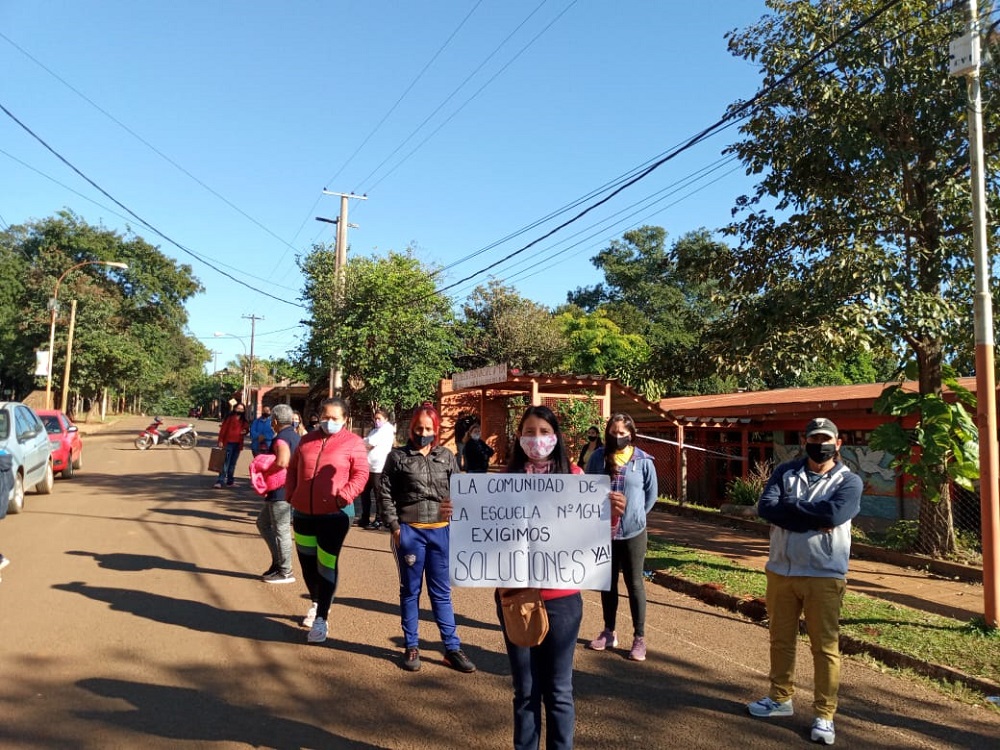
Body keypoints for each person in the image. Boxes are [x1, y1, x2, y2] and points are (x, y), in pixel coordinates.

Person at [498, 405, 623, 750]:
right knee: (524, 690)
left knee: (558, 690)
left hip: (562, 600)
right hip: (515, 598)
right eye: (528, 432)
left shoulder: (577, 479)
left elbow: (596, 539)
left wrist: (611, 515)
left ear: (556, 437)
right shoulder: (502, 483)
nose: (536, 439)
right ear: (519, 437)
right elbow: (483, 535)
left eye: (543, 432)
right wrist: (458, 514)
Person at [747, 417, 862, 746]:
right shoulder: (786, 472)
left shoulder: (849, 481)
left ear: (838, 444)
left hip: (824, 575)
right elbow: (767, 508)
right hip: (781, 571)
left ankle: (824, 715)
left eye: (827, 439)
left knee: (825, 647)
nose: (820, 444)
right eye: (815, 438)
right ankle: (779, 698)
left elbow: (834, 516)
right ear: (805, 441)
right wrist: (810, 515)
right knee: (780, 639)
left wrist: (792, 509)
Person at [378, 403, 476, 674]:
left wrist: (457, 513)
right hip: (410, 532)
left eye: (429, 428)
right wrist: (395, 527)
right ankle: (411, 646)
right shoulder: (397, 456)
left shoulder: (446, 456)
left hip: (441, 532)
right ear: (412, 428)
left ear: (437, 429)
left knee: (441, 593)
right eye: (419, 428)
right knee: (410, 591)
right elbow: (384, 492)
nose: (423, 432)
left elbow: (460, 492)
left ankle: (452, 649)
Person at [285, 397, 370, 643]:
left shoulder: (353, 443)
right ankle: (316, 601)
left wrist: (343, 497)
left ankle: (322, 617)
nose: (328, 421)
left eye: (334, 418)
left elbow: (361, 474)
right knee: (307, 564)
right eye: (325, 416)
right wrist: (291, 493)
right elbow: (292, 469)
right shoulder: (306, 440)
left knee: (326, 564)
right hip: (303, 512)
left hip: (335, 515)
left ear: (345, 420)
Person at [585, 412, 658, 661]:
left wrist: (636, 514)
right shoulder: (598, 457)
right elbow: (587, 489)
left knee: (634, 583)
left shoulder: (643, 461)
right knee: (608, 583)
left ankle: (639, 638)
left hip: (633, 531)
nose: (618, 438)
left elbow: (651, 494)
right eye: (614, 433)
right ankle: (609, 631)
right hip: (604, 531)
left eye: (623, 434)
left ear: (631, 434)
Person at [255, 404, 301, 584]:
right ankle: (278, 562)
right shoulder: (296, 436)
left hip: (280, 490)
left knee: (281, 530)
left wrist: (264, 465)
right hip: (289, 489)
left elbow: (282, 461)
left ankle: (286, 571)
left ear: (274, 420)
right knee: (263, 523)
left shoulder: (280, 438)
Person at [357, 407, 395, 529]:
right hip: (369, 466)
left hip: (379, 467)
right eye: (375, 418)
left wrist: (365, 444)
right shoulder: (375, 430)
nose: (376, 420)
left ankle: (379, 519)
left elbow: (369, 443)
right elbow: (366, 442)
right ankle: (365, 517)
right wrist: (365, 444)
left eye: (379, 418)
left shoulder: (386, 429)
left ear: (386, 419)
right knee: (364, 493)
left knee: (378, 495)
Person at [214, 404, 248, 489]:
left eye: (241, 409)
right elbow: (223, 430)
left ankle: (230, 481)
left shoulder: (244, 420)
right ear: (235, 409)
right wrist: (220, 441)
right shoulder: (229, 418)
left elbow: (247, 429)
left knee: (232, 464)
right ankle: (220, 481)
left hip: (238, 444)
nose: (239, 410)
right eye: (238, 408)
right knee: (225, 463)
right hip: (228, 443)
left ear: (243, 411)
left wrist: (245, 431)